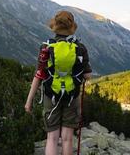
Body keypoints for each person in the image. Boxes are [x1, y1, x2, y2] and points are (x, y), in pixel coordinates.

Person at [25, 11, 92, 155]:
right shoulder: (80, 48)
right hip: (72, 96)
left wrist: (29, 101)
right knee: (67, 138)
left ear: (55, 26)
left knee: (52, 138)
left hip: (51, 95)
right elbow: (87, 76)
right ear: (71, 28)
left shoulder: (46, 47)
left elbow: (38, 75)